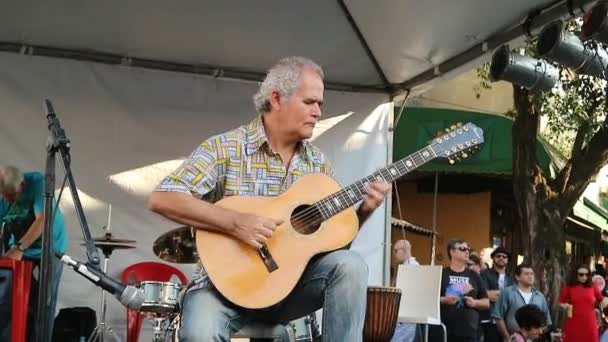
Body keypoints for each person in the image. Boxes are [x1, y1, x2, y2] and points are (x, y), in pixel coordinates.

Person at [148, 56, 391, 342]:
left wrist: (364, 211)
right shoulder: (226, 147)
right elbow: (163, 198)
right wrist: (236, 222)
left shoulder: (318, 166)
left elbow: (332, 246)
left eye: (320, 105)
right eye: (310, 102)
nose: (317, 112)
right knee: (200, 332)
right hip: (220, 289)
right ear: (276, 98)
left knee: (351, 265)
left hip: (288, 291)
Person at [0, 166, 68, 341]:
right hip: (20, 248)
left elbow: (42, 220)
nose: (8, 200)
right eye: (5, 196)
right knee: (10, 298)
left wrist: (19, 248)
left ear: (22, 185)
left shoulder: (38, 183)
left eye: (12, 195)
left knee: (44, 303)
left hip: (50, 247)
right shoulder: (3, 193)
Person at [429, 239, 489, 342]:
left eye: (468, 249)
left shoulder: (474, 275)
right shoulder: (441, 273)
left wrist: (474, 303)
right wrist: (444, 300)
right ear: (452, 252)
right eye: (462, 248)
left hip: (468, 332)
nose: (467, 251)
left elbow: (486, 303)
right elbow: (428, 300)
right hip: (442, 332)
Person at [492, 264, 552, 340]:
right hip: (512, 337)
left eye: (532, 274)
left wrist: (536, 334)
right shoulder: (507, 293)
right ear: (517, 277)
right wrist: (507, 338)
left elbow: (546, 320)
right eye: (526, 274)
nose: (530, 276)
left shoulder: (540, 296)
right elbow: (498, 317)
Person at [559, 264, 607, 342]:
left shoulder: (593, 286)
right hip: (573, 323)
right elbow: (560, 302)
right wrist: (565, 305)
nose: (584, 277)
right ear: (576, 275)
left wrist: (605, 300)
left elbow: (601, 299)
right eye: (581, 274)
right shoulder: (569, 288)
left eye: (587, 274)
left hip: (590, 323)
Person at [480, 247, 515, 342]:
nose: (501, 258)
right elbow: (484, 294)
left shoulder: (511, 278)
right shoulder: (484, 274)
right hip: (489, 320)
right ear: (493, 258)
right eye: (498, 256)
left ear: (507, 260)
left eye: (504, 257)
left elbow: (513, 298)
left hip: (506, 321)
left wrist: (495, 294)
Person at [391, 239, 419, 342]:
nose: (393, 254)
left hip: (406, 317)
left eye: (395, 251)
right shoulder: (402, 266)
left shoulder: (412, 267)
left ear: (404, 250)